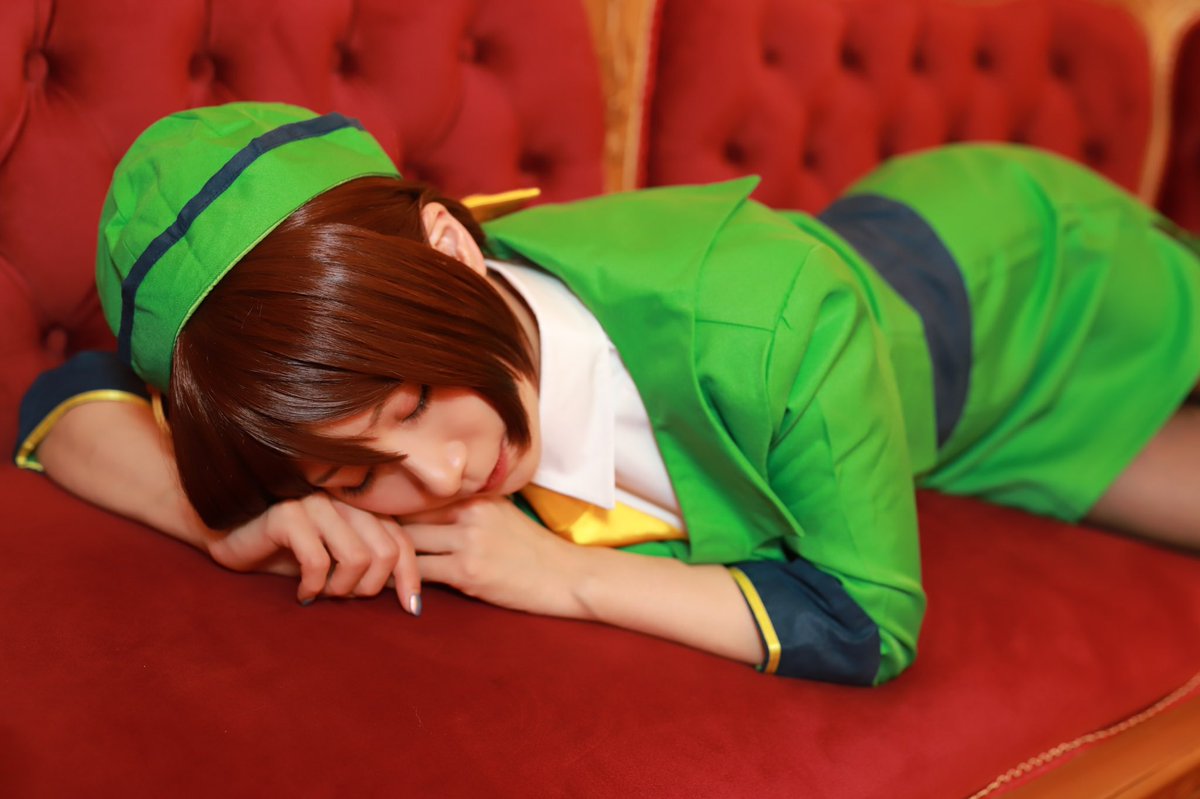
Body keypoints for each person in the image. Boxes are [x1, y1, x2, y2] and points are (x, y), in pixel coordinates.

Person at [15, 102, 1200, 686]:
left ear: (452, 247)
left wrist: (560, 576)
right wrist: (230, 519)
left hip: (1035, 280)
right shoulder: (321, 374)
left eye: (417, 399)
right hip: (962, 432)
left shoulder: (776, 319)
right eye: (352, 467)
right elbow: (65, 397)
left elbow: (870, 626)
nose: (442, 474)